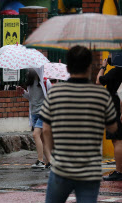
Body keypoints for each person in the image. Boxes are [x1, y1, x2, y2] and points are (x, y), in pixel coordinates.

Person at [41, 46, 117, 203]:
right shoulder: (101, 95)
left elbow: (46, 129)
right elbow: (113, 128)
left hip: (61, 168)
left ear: (68, 68)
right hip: (89, 171)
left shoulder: (55, 93)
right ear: (90, 67)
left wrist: (50, 156)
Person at [16, 68, 52, 169]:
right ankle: (50, 161)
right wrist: (23, 92)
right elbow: (31, 97)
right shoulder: (30, 82)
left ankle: (40, 161)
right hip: (34, 113)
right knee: (42, 139)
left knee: (36, 134)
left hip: (43, 113)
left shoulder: (45, 82)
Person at [96, 54, 122, 181]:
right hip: (118, 106)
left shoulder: (116, 71)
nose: (109, 56)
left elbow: (98, 81)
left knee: (117, 140)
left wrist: (103, 66)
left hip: (114, 107)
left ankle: (119, 171)